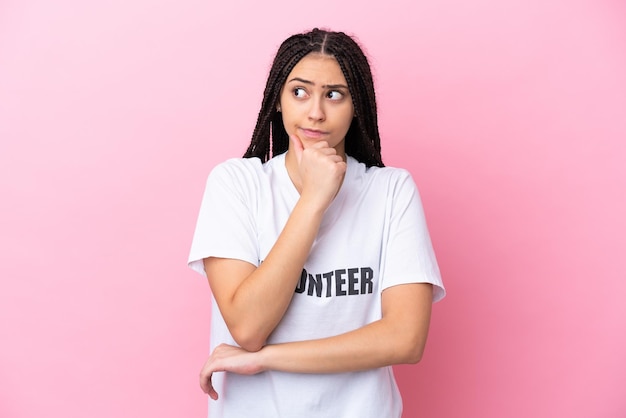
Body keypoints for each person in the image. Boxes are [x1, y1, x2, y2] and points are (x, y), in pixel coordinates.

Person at [188, 28, 445, 418]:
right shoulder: (237, 184)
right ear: (278, 99)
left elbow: (405, 338)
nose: (315, 112)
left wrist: (268, 359)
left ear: (357, 105)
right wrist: (313, 200)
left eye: (335, 94)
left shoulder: (391, 191)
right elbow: (248, 327)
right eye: (300, 92)